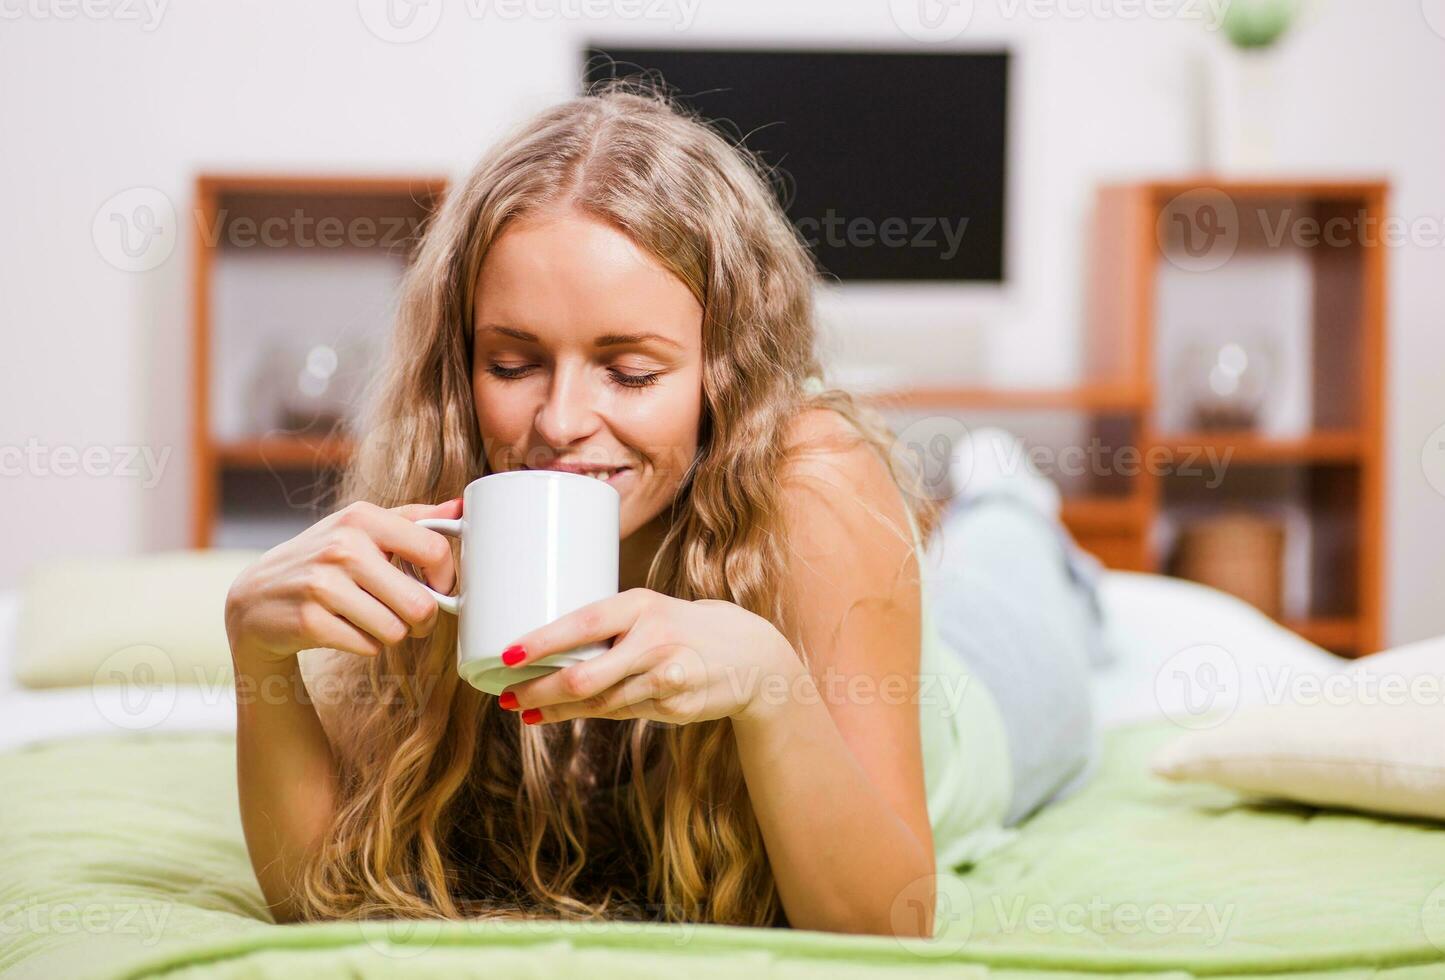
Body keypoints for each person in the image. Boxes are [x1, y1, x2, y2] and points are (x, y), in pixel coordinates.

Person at [223, 85, 1099, 936]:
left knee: (1014, 547)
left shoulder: (815, 478)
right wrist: (258, 655)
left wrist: (770, 686)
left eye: (631, 373)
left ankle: (1011, 495)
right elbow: (316, 902)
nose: (560, 423)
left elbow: (889, 925)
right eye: (513, 364)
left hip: (997, 690)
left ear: (725, 370)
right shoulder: (448, 486)